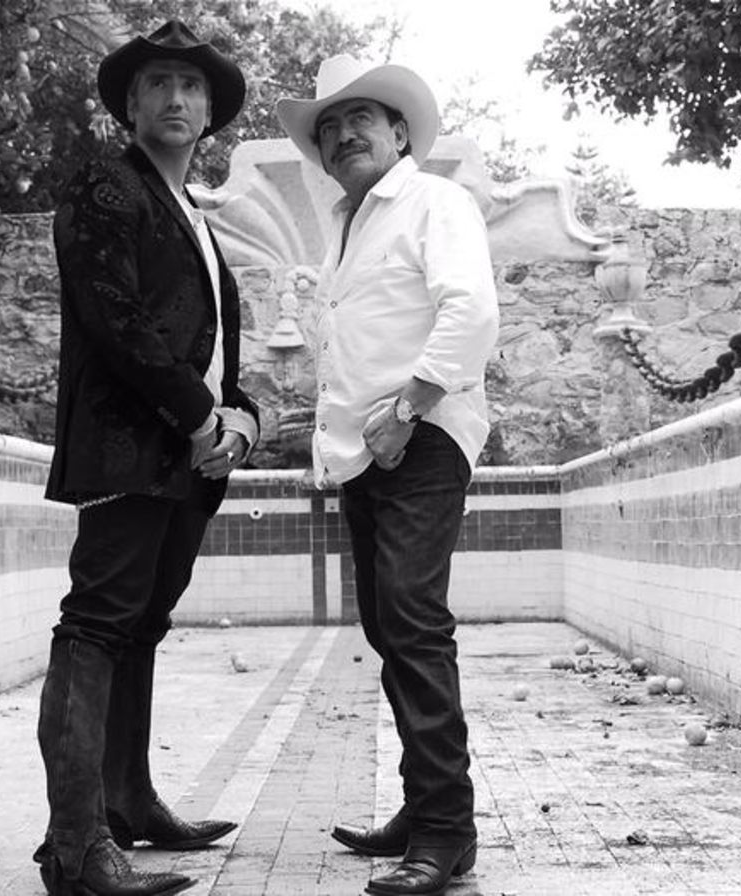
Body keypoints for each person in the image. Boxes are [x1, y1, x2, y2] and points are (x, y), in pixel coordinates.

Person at [34, 20, 259, 896]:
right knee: (95, 627)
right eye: (158, 83)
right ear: (130, 106)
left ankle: (127, 801)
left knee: (141, 627)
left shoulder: (195, 216)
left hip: (188, 462)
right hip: (126, 449)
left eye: (191, 86)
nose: (175, 98)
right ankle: (74, 847)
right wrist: (200, 416)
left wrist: (238, 421)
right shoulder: (106, 185)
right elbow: (114, 318)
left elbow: (216, 349)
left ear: (210, 112)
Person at [276, 56, 499, 896]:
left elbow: (470, 309)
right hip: (369, 449)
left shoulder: (434, 201)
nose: (342, 135)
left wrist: (409, 408)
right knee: (388, 623)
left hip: (422, 434)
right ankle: (421, 807)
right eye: (329, 127)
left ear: (400, 132)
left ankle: (446, 831)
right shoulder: (347, 224)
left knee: (410, 618)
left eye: (360, 119)